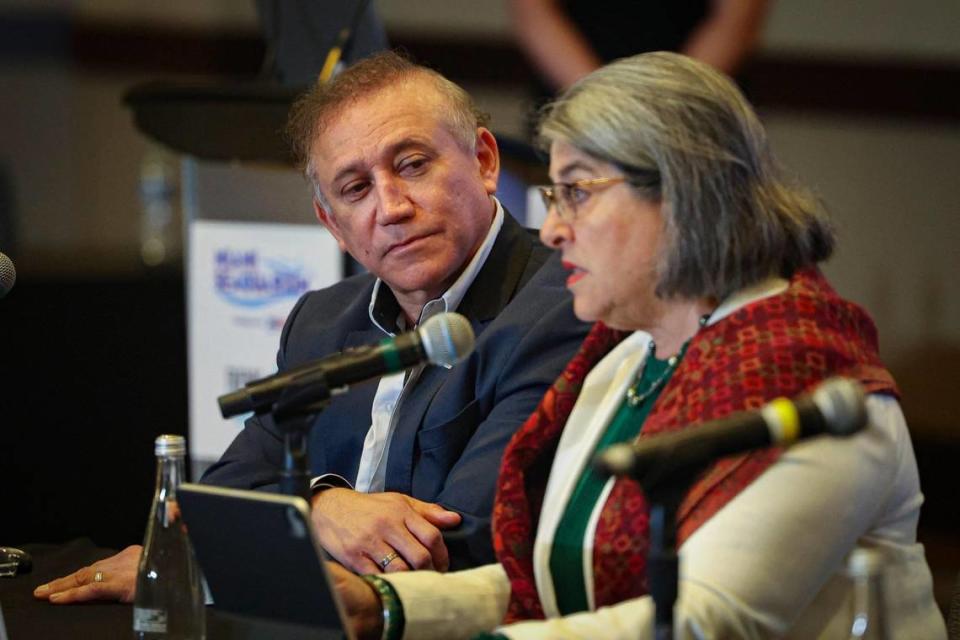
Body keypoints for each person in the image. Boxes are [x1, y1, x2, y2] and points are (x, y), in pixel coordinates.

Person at [329, 52, 947, 639]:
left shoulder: (821, 385)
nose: (552, 228)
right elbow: (554, 587)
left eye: (577, 191)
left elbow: (702, 621)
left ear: (683, 195)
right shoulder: (623, 361)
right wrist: (386, 608)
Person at [33, 52, 588, 604]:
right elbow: (221, 495)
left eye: (413, 164)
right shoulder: (321, 321)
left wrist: (214, 568)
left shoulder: (563, 305)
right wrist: (319, 508)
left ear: (484, 160)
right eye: (355, 189)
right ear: (332, 225)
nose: (391, 207)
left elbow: (453, 548)